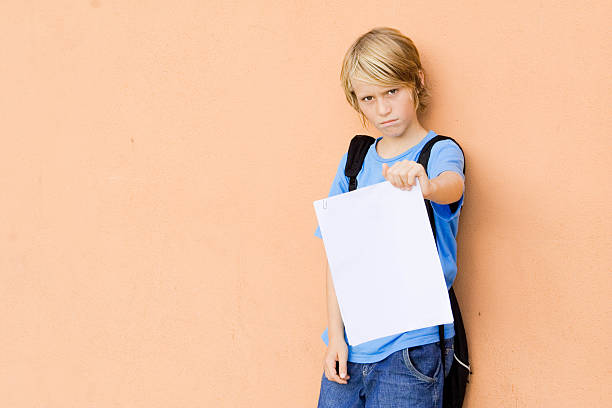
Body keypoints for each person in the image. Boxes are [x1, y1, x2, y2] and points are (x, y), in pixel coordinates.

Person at [313, 27, 466, 408]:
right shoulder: (355, 163)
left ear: (417, 82)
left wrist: (425, 185)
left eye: (392, 92)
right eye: (369, 98)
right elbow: (338, 254)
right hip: (352, 347)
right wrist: (336, 337)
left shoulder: (437, 152)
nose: (382, 109)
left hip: (411, 348)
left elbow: (453, 185)